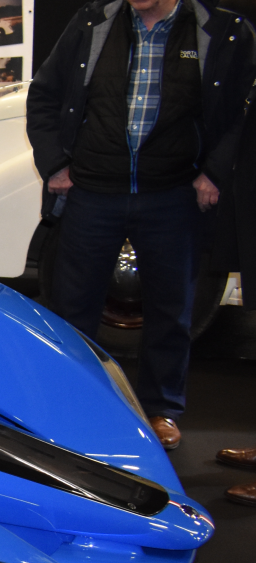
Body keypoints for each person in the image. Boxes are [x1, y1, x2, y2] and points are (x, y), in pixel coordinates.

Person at [27, 0, 256, 449]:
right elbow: (44, 95)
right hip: (93, 191)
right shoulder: (92, 22)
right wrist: (54, 163)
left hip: (173, 192)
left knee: (171, 311)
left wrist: (215, 172)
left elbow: (243, 115)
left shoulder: (223, 31)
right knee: (73, 310)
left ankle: (160, 410)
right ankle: (75, 405)